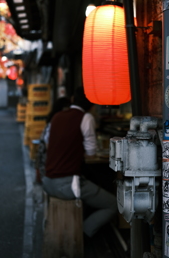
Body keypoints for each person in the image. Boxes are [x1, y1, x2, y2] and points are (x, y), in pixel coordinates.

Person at [42, 86, 117, 238]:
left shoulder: (56, 117)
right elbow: (91, 152)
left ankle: (75, 229)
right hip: (68, 184)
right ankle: (81, 233)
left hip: (48, 182)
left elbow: (47, 141)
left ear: (72, 100)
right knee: (114, 205)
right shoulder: (86, 118)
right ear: (92, 104)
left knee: (90, 190)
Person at [37, 96, 71, 181]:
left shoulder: (53, 120)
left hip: (48, 167)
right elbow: (50, 147)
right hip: (49, 169)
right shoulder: (55, 122)